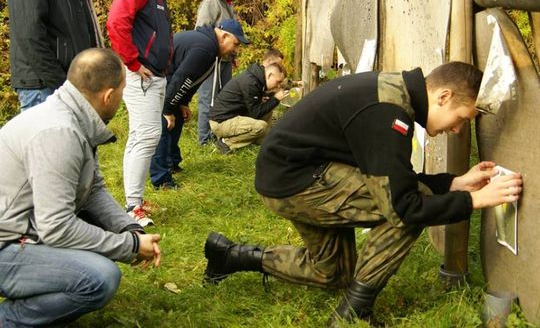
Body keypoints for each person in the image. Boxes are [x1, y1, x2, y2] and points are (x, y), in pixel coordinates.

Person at [203, 62, 523, 325]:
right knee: (407, 210)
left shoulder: (395, 98)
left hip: (293, 173)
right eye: (462, 118)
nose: (457, 129)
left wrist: (453, 184)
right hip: (294, 180)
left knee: (333, 272)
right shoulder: (389, 112)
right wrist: (474, 200)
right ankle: (353, 314)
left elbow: (393, 178)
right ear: (443, 96)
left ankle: (230, 255)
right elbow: (404, 206)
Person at [0, 48, 161, 327]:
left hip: (19, 229)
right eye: (122, 92)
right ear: (108, 95)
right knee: (99, 277)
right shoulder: (60, 133)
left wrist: (129, 229)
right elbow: (57, 227)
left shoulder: (70, 114)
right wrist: (129, 247)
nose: (121, 100)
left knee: (91, 240)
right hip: (6, 244)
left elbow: (93, 189)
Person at [107, 0, 187, 226]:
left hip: (154, 73)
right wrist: (131, 62)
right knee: (146, 136)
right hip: (141, 74)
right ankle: (132, 208)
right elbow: (117, 21)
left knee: (144, 135)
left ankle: (135, 200)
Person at [149, 19, 250, 188]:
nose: (236, 50)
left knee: (178, 119)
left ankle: (172, 164)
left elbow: (191, 79)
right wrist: (167, 109)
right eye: (236, 44)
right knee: (164, 126)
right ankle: (161, 179)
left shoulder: (210, 47)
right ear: (224, 36)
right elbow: (181, 78)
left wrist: (183, 103)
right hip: (156, 78)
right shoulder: (205, 48)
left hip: (170, 81)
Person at [195, 0, 241, 145]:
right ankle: (205, 139)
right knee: (208, 98)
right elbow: (202, 29)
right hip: (211, 59)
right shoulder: (212, 2)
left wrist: (233, 55)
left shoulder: (229, 4)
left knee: (223, 98)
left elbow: (232, 34)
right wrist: (209, 53)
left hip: (226, 59)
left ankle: (218, 134)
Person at [209, 62, 288, 154]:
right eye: (278, 82)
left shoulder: (257, 79)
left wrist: (269, 97)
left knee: (267, 110)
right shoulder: (251, 82)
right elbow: (255, 113)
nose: (278, 86)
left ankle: (258, 139)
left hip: (233, 117)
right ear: (269, 75)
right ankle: (225, 143)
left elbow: (255, 105)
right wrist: (275, 99)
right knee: (261, 126)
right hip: (220, 123)